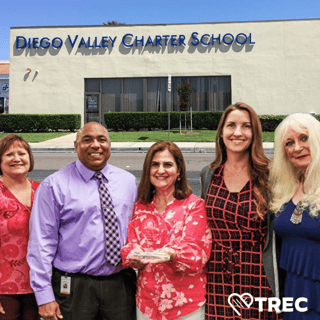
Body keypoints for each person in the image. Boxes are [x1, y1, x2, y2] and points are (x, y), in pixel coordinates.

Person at [27, 122, 138, 320]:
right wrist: (44, 296)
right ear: (76, 146)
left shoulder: (128, 181)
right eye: (87, 140)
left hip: (120, 284)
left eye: (101, 140)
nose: (95, 145)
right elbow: (41, 243)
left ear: (109, 145)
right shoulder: (54, 185)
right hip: (74, 286)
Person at [200, 102, 281, 319]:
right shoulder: (208, 175)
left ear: (254, 133)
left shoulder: (270, 174)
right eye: (231, 125)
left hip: (258, 274)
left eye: (246, 126)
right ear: (221, 132)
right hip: (217, 276)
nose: (238, 132)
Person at [121, 141, 212, 320]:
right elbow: (130, 243)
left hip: (185, 306)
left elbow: (197, 253)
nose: (160, 170)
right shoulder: (140, 206)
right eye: (155, 164)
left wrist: (171, 253)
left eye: (168, 164)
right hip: (147, 304)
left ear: (179, 172)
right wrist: (133, 255)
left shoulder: (193, 205)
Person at [267, 113, 320, 319]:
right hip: (293, 293)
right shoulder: (284, 188)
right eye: (289, 143)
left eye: (304, 138)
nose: (297, 147)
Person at [0, 134, 39, 320]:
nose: (17, 158)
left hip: (38, 284)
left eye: (22, 153)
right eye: (9, 154)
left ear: (29, 158)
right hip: (4, 288)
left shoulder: (42, 191)